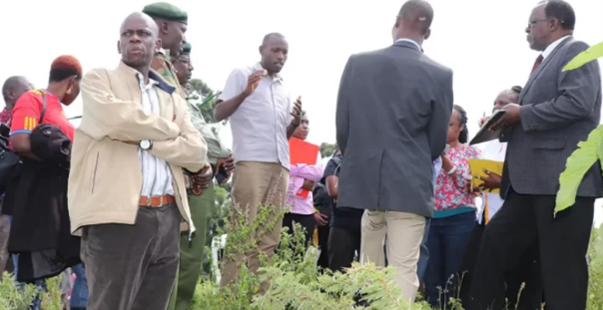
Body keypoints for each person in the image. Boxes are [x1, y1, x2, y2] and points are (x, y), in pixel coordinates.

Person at [68, 12, 207, 310]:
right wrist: (171, 131)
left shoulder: (170, 97)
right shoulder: (98, 80)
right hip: (116, 217)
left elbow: (197, 152)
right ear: (118, 45)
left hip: (168, 217)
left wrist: (147, 142)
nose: (134, 37)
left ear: (156, 43)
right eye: (126, 33)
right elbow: (115, 120)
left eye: (142, 33)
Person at [468, 1, 603, 310]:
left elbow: (579, 104)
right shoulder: (545, 63)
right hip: (529, 185)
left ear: (553, 24)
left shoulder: (576, 50)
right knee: (493, 246)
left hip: (560, 184)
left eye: (531, 23)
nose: (527, 31)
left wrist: (521, 113)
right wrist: (503, 123)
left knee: (562, 271)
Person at [335, 0, 453, 301]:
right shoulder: (440, 74)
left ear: (397, 21)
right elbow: (437, 141)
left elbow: (343, 128)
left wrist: (363, 163)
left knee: (368, 270)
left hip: (367, 186)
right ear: (428, 32)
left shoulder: (358, 63)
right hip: (410, 186)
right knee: (402, 270)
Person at [216, 32, 302, 288]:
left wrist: (294, 124)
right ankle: (229, 300)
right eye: (276, 50)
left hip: (281, 166)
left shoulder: (284, 87)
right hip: (252, 162)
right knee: (241, 233)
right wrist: (244, 93)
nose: (281, 56)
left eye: (285, 52)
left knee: (268, 239)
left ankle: (260, 300)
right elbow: (218, 112)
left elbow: (282, 135)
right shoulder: (242, 74)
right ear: (261, 49)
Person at [7, 56, 83, 310]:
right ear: (72, 82)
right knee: (31, 285)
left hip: (62, 205)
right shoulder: (33, 99)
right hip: (35, 204)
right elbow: (20, 141)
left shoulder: (59, 110)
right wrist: (63, 159)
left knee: (84, 272)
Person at [459, 86, 543, 310]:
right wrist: (475, 181)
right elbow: (481, 173)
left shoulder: (525, 140)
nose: (497, 107)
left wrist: (502, 182)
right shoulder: (489, 142)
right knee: (471, 272)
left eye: (504, 104)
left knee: (514, 278)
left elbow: (528, 175)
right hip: (485, 218)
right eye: (495, 103)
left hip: (513, 217)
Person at [166, 42, 234, 310]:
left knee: (191, 261)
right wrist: (218, 154)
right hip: (181, 182)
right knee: (173, 260)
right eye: (184, 61)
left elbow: (211, 144)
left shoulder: (188, 104)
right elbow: (201, 143)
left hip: (201, 184)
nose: (190, 68)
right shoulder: (167, 98)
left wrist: (220, 162)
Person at [424, 105, 480, 308]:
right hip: (430, 220)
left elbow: (471, 186)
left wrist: (445, 160)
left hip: (460, 221)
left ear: (461, 127)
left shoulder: (471, 152)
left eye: (449, 124)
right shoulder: (425, 153)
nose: (442, 129)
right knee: (431, 279)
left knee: (456, 277)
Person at [0, 75, 32, 274]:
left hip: (12, 197)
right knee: (5, 248)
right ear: (11, 94)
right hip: (7, 199)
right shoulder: (11, 124)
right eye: (27, 91)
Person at [283, 111, 323, 247]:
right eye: (301, 122)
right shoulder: (282, 146)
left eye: (307, 123)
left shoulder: (313, 150)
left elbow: (317, 174)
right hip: (283, 209)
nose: (305, 126)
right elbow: (279, 174)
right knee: (281, 253)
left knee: (301, 252)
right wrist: (302, 181)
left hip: (305, 210)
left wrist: (293, 169)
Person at [143, 1, 188, 97]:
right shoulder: (154, 60)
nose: (184, 39)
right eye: (182, 31)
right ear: (165, 27)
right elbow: (177, 107)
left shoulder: (147, 58)